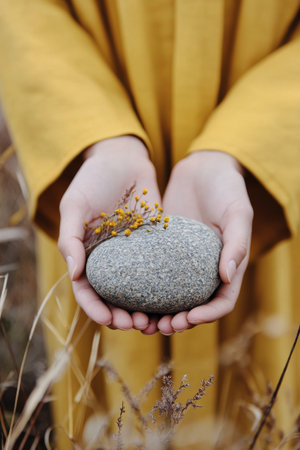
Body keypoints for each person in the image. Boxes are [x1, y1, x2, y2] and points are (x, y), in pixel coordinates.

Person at [0, 1, 299, 448]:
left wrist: (244, 146)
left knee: (253, 393)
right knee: (107, 408)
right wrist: (99, 138)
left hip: (258, 170)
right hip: (99, 174)